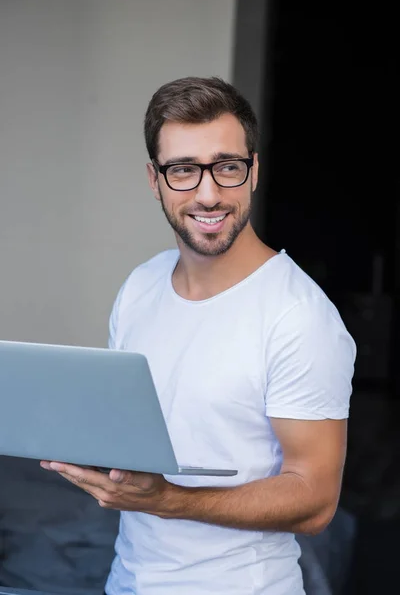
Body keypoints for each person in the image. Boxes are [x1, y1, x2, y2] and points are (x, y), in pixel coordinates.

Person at [41, 76, 356, 595]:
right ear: (154, 179)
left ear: (252, 172)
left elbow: (316, 500)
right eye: (183, 170)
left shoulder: (298, 317)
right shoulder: (141, 285)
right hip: (128, 583)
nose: (208, 195)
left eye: (227, 167)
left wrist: (168, 499)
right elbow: (143, 437)